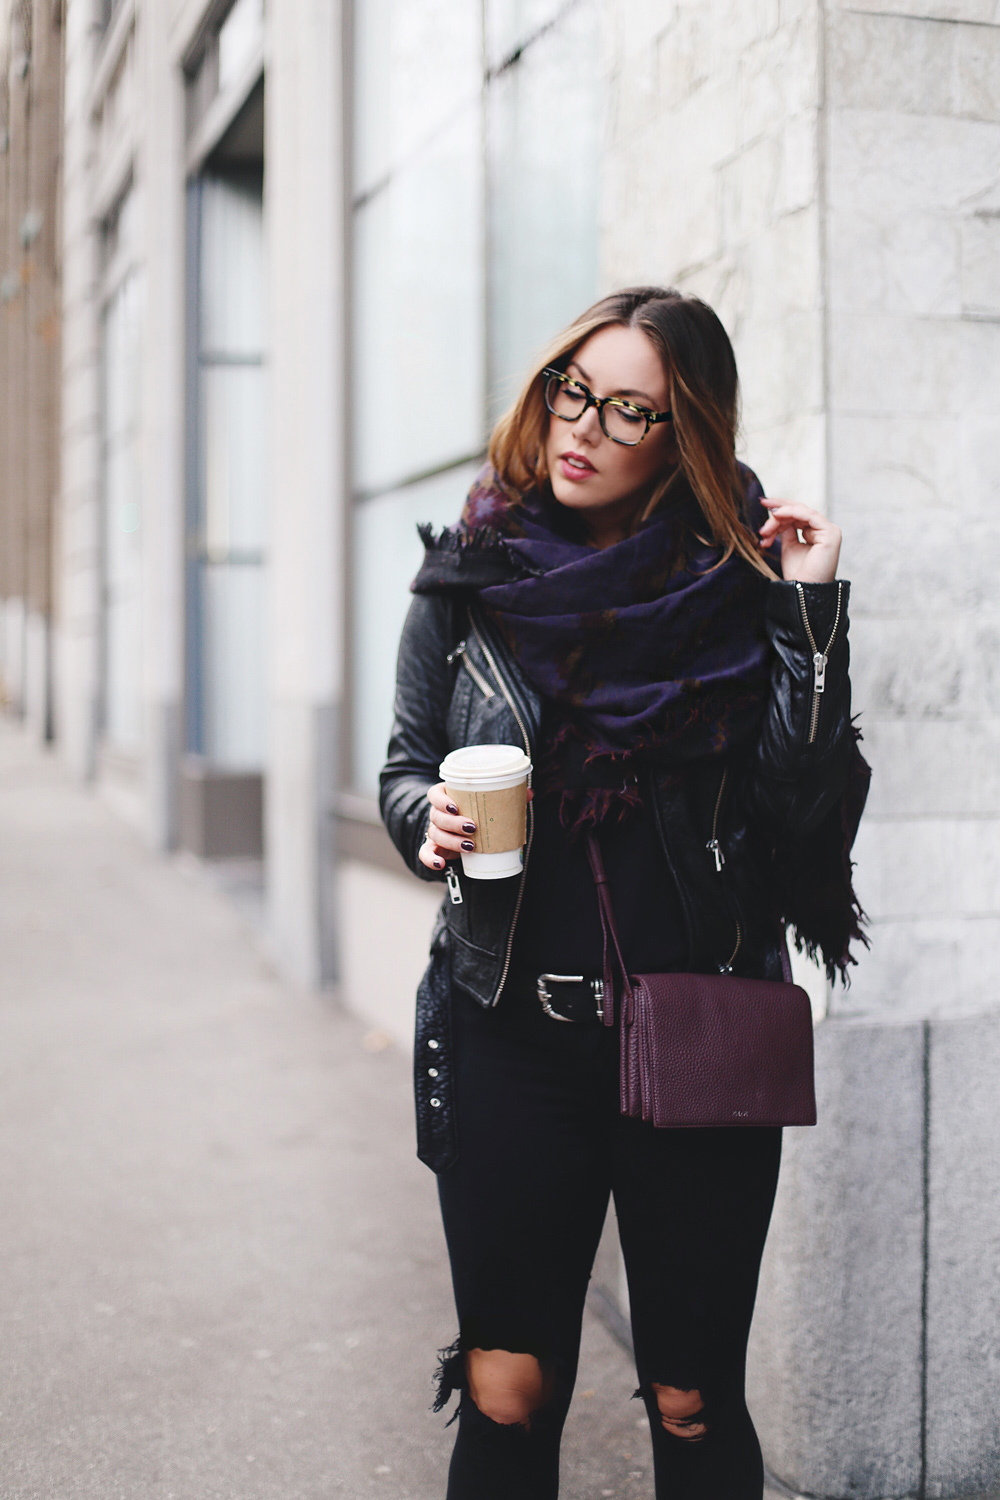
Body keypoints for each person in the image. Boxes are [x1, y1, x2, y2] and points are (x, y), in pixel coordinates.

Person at [379, 286, 868, 1500]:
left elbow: (806, 817)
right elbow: (401, 765)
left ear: (683, 434)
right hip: (507, 1041)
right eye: (571, 390)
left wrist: (808, 610)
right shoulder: (469, 581)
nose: (582, 426)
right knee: (506, 1387)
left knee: (691, 1403)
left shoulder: (746, 589)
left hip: (690, 1050)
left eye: (629, 411)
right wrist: (420, 817)